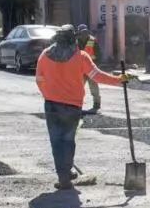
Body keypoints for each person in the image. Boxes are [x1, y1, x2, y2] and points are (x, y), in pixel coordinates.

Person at [35, 25, 129, 190]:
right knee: (68, 141)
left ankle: (64, 175)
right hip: (72, 107)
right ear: (74, 38)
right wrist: (119, 79)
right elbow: (97, 76)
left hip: (51, 105)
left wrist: (48, 95)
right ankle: (66, 173)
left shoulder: (44, 55)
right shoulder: (81, 57)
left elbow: (39, 80)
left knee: (56, 142)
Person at [76, 24, 101, 112]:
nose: (84, 34)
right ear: (79, 32)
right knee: (78, 87)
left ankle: (97, 103)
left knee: (94, 87)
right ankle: (76, 104)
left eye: (85, 31)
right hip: (81, 69)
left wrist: (96, 66)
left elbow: (98, 54)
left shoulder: (92, 40)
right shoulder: (76, 41)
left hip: (91, 68)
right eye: (82, 32)